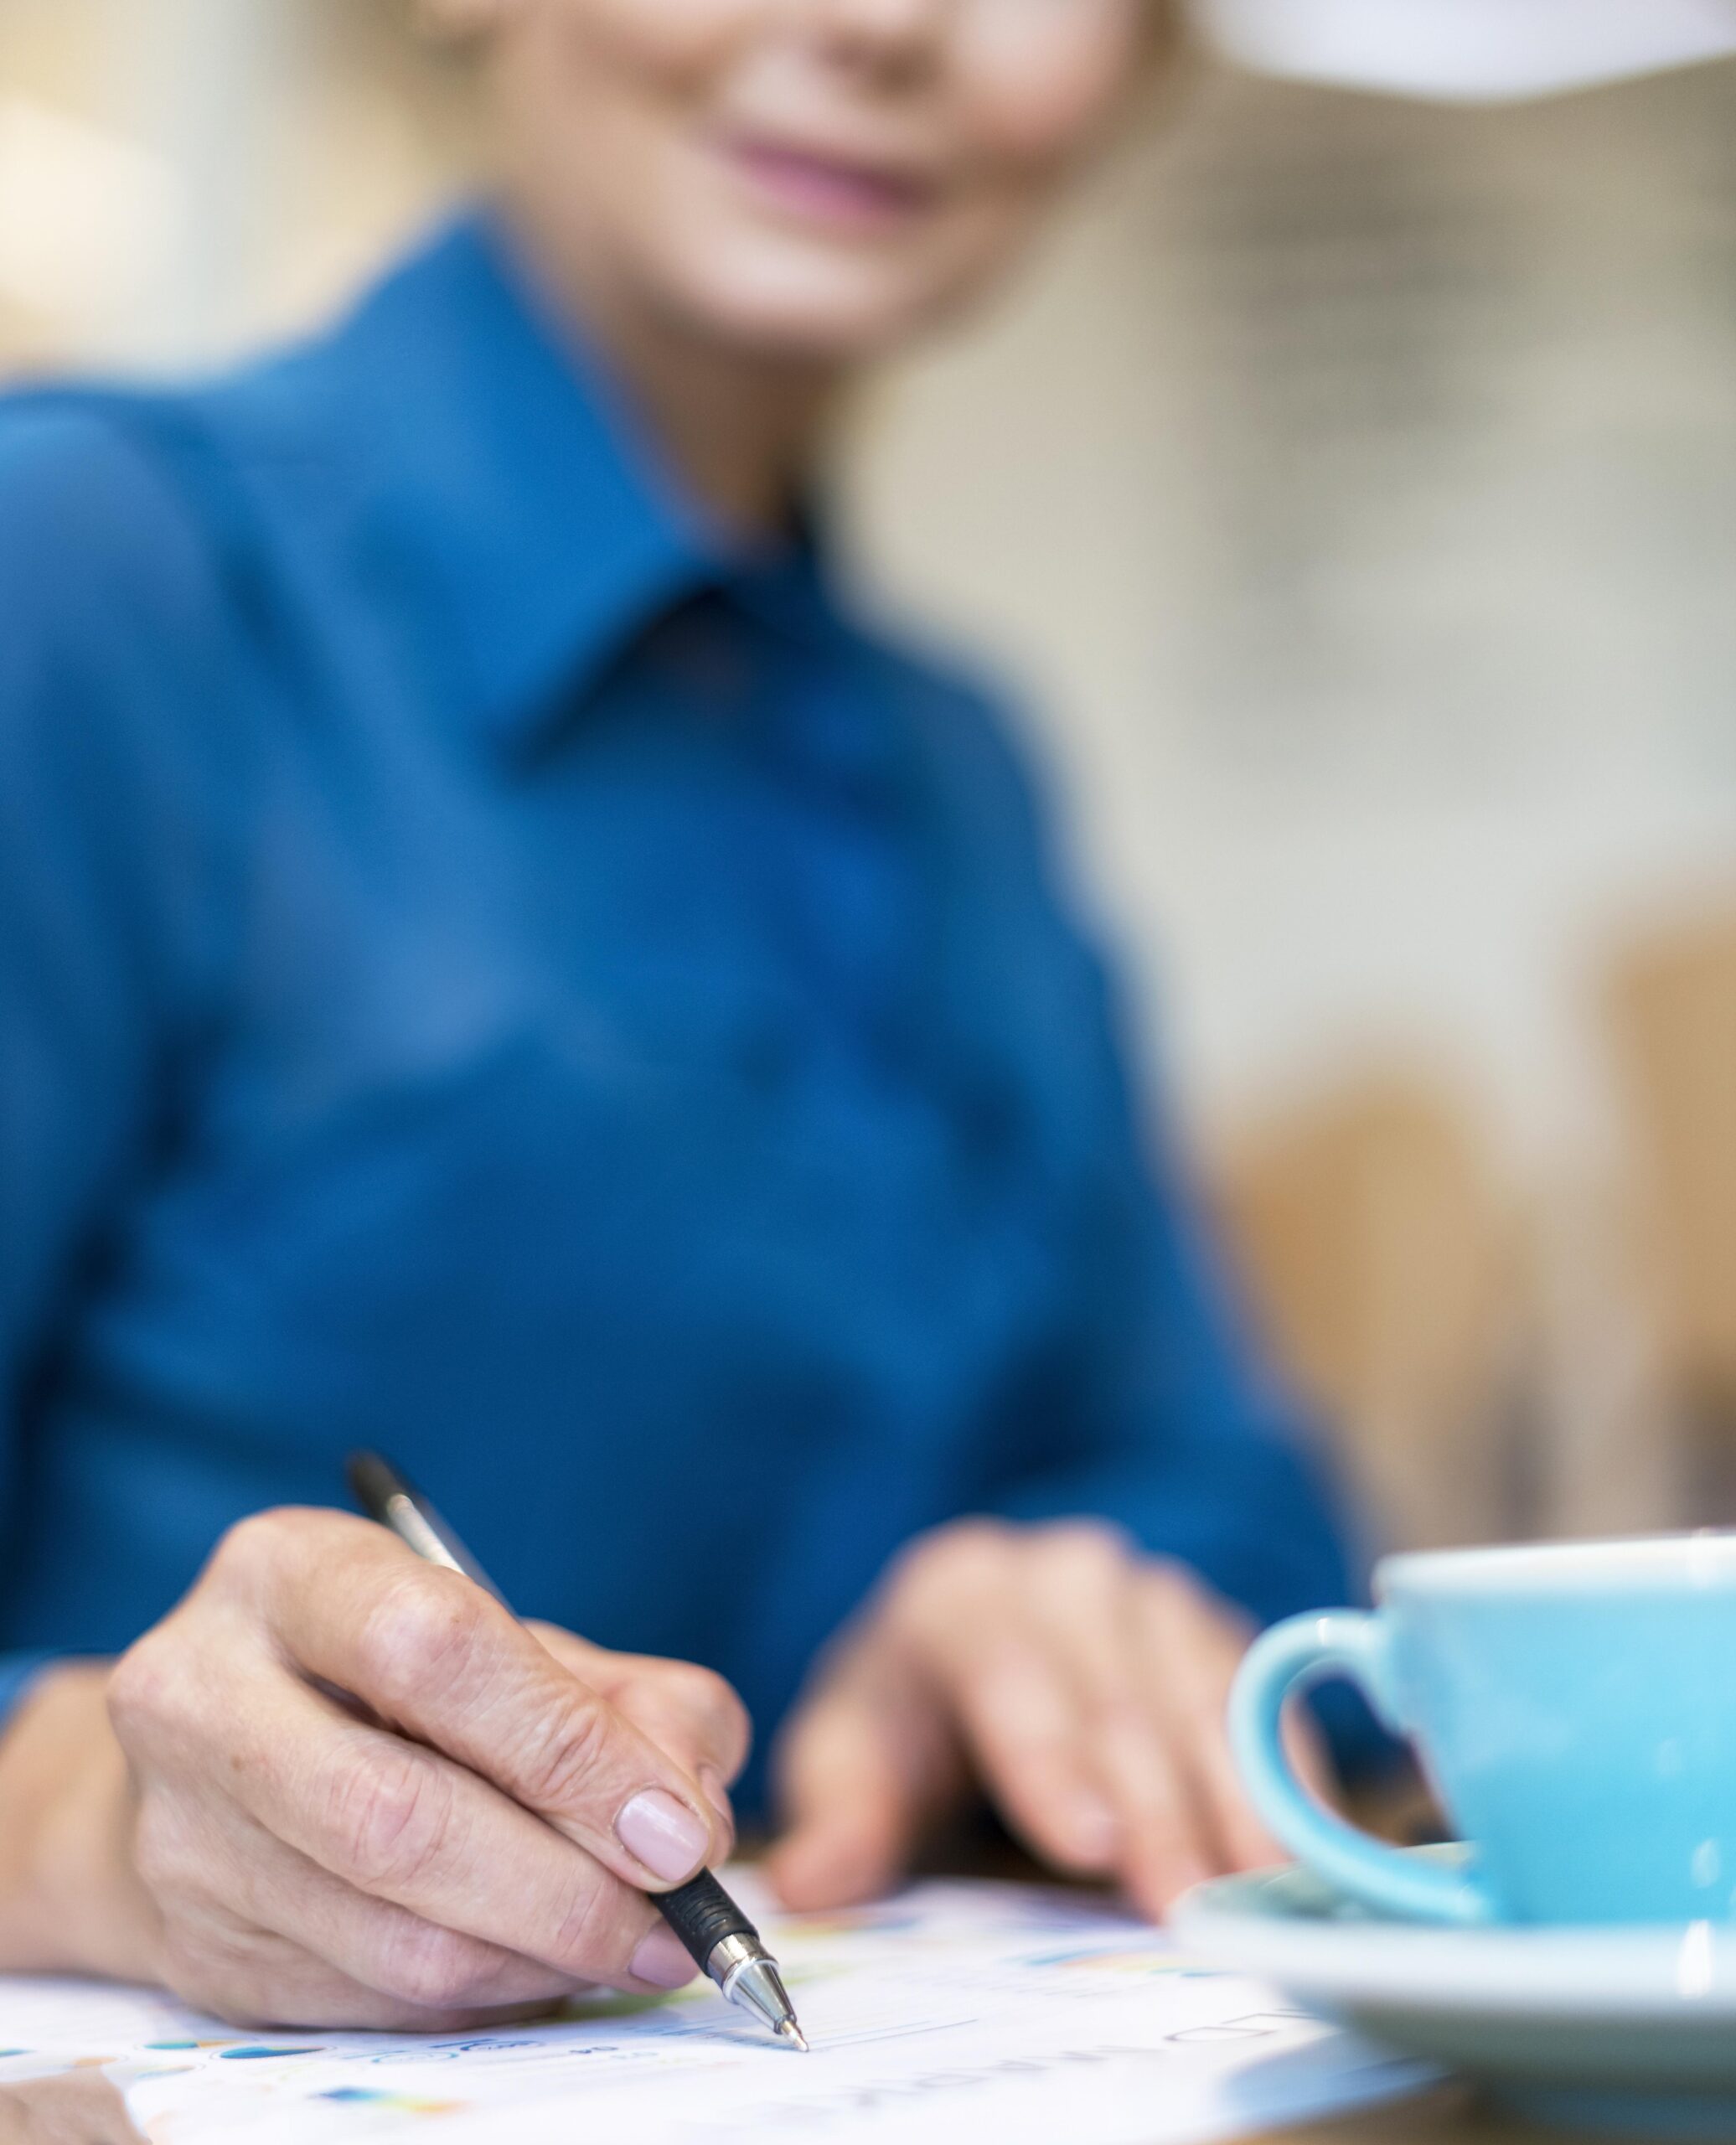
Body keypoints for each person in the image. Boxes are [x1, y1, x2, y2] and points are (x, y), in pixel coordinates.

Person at [0, 0, 1361, 2031]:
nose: (881, 22)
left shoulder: (963, 775)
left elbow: (1254, 1529)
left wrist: (1056, 1604)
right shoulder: (80, 581)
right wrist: (86, 1820)